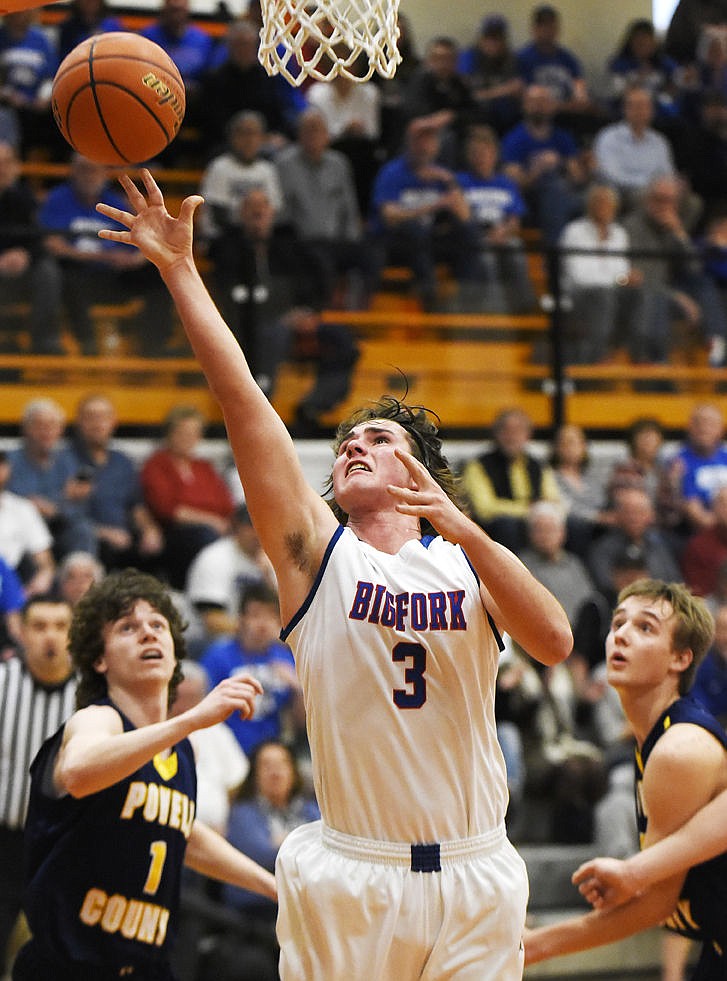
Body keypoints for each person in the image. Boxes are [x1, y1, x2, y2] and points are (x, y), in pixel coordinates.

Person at [96, 167, 573, 981]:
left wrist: (464, 528)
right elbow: (241, 396)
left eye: (382, 438)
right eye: (349, 440)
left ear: (423, 474)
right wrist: (180, 269)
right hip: (355, 871)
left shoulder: (464, 562)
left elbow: (556, 641)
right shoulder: (317, 554)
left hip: (476, 867)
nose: (356, 443)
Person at [12, 569, 275, 980]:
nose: (148, 634)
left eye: (157, 625)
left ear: (174, 653)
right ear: (99, 658)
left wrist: (273, 886)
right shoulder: (98, 720)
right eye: (128, 628)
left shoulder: (179, 751)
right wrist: (188, 722)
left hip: (146, 966)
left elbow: (180, 830)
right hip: (70, 967)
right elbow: (79, 772)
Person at [525, 579, 727, 980]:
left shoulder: (679, 749)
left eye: (645, 627)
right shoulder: (656, 739)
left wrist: (536, 944)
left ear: (680, 659)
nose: (622, 635)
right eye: (618, 623)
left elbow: (657, 903)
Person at [0, 595, 75, 979]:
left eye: (61, 627)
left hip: (64, 849)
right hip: (4, 840)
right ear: (22, 632)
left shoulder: (90, 696)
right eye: (40, 626)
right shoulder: (2, 683)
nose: (51, 636)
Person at [39, 154, 178, 356]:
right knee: (63, 275)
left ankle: (155, 348)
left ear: (105, 173)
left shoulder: (116, 202)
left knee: (159, 274)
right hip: (78, 275)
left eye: (94, 169)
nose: (89, 175)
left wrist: (135, 259)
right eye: (83, 169)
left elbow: (143, 240)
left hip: (114, 276)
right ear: (73, 172)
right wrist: (102, 257)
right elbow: (52, 245)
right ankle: (89, 348)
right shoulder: (57, 199)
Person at [369, 113, 480, 311]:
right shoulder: (393, 172)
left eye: (429, 141)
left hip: (431, 242)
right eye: (419, 141)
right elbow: (390, 216)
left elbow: (466, 218)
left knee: (468, 234)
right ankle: (430, 298)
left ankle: (470, 299)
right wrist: (434, 205)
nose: (424, 147)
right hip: (397, 244)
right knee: (414, 230)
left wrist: (450, 183)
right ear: (410, 144)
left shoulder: (443, 175)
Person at [62, 393, 165, 572]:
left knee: (159, 547)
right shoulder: (63, 460)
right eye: (90, 417)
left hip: (125, 539)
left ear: (113, 422)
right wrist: (103, 532)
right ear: (79, 422)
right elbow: (61, 515)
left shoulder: (122, 462)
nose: (97, 424)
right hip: (87, 540)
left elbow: (136, 506)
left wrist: (150, 529)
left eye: (103, 417)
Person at [140, 404, 236, 590]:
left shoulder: (203, 467)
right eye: (182, 433)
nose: (188, 439)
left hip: (217, 529)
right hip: (177, 534)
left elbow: (226, 505)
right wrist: (212, 521)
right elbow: (167, 509)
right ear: (170, 434)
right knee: (205, 536)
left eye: (194, 433)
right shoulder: (157, 465)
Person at [200, 582, 300, 756]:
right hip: (227, 751)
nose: (263, 624)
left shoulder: (287, 658)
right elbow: (202, 711)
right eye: (255, 615)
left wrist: (297, 687)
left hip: (272, 752)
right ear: (241, 619)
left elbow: (302, 724)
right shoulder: (218, 656)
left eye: (270, 616)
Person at [456, 125, 537, 314]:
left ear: (494, 154)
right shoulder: (460, 182)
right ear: (469, 155)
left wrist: (503, 232)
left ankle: (525, 306)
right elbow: (460, 217)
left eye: (485, 152)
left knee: (515, 248)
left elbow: (515, 220)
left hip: (502, 233)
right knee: (487, 258)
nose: (481, 157)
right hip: (475, 237)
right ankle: (494, 308)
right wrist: (484, 234)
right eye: (475, 153)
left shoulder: (506, 184)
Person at [558, 183, 642, 365]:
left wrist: (626, 278)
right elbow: (580, 276)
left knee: (639, 293)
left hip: (610, 292)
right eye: (599, 203)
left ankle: (635, 353)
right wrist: (620, 279)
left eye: (608, 204)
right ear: (590, 205)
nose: (603, 208)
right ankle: (597, 355)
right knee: (603, 294)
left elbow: (622, 269)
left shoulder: (619, 234)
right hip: (575, 296)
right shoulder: (574, 232)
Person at [459, 406, 561, 553]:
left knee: (572, 526)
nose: (512, 436)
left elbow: (553, 501)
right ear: (496, 434)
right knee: (508, 525)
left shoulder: (538, 466)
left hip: (534, 522)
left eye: (518, 431)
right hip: (495, 528)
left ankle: (568, 571)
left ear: (528, 435)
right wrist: (528, 510)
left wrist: (539, 515)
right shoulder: (478, 466)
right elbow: (485, 509)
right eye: (506, 431)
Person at [7, 397, 96, 560]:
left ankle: (82, 582)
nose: (46, 432)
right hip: (24, 527)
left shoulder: (68, 460)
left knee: (83, 530)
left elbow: (78, 505)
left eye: (52, 426)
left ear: (60, 430)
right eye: (39, 425)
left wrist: (57, 505)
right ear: (26, 429)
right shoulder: (10, 461)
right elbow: (14, 500)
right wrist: (62, 500)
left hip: (60, 524)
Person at [0, 139, 63, 354]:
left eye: (6, 163)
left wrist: (26, 254)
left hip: (19, 273)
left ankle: (44, 343)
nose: (2, 169)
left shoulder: (23, 199)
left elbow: (40, 239)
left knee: (47, 271)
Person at [185, 503, 272, 644]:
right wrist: (260, 631)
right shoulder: (215, 557)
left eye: (263, 526)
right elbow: (211, 620)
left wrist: (267, 577)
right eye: (251, 526)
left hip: (251, 641)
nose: (258, 532)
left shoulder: (269, 562)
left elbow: (277, 613)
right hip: (208, 641)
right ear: (237, 527)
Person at [592, 84, 678, 214]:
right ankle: (637, 230)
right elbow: (611, 175)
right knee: (648, 197)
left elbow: (667, 173)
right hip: (621, 191)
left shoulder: (659, 141)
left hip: (656, 191)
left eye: (646, 106)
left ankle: (670, 232)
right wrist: (650, 186)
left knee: (692, 201)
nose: (641, 111)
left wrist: (668, 186)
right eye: (637, 106)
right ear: (626, 109)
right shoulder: (609, 137)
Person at [0, 448, 55, 596]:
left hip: (12, 585)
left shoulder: (23, 508)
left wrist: (28, 591)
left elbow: (45, 563)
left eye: (1, 464)